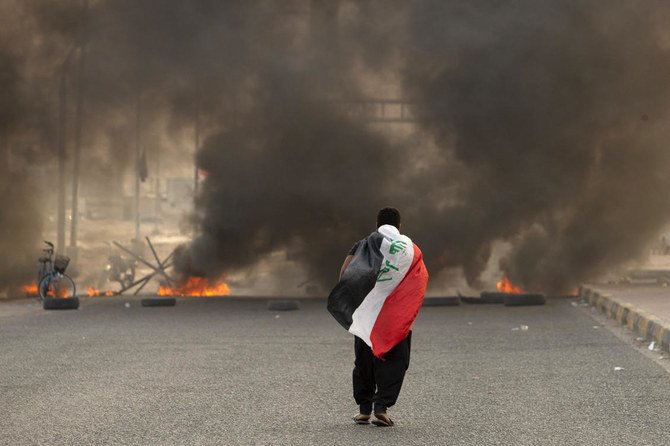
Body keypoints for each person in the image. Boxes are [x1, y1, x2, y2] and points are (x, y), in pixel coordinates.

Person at [331, 207, 428, 427]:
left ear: (377, 224)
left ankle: (364, 410)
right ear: (399, 226)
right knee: (395, 357)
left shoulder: (365, 243)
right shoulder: (409, 249)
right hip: (393, 314)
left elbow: (346, 272)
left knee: (364, 358)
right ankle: (382, 407)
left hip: (368, 312)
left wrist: (351, 300)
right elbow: (419, 277)